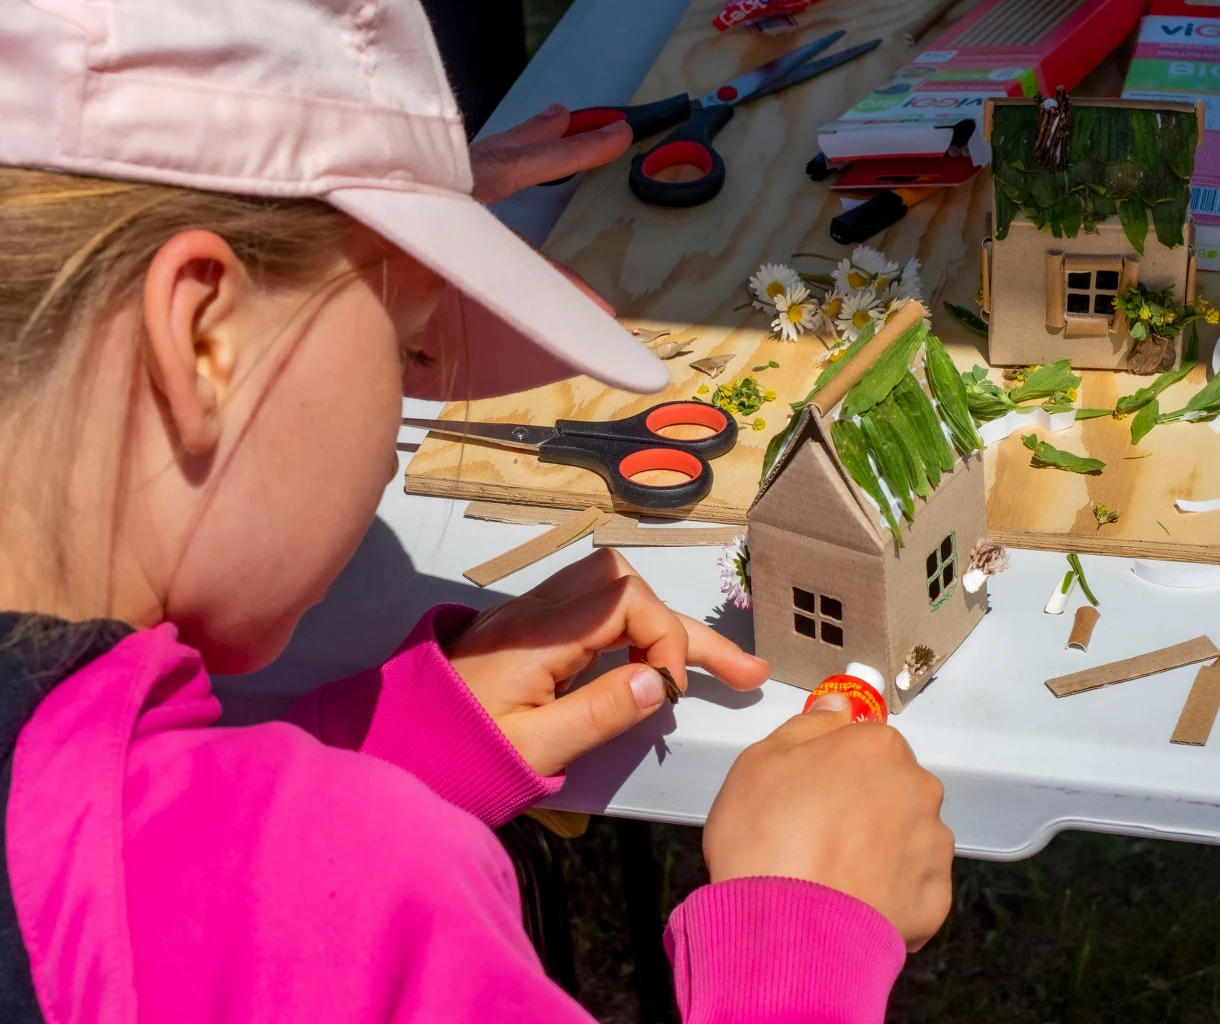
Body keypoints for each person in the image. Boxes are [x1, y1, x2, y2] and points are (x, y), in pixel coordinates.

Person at [0, 1, 955, 1022]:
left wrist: (378, 758)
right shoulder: (367, 887)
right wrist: (797, 953)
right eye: (407, 347)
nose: (405, 423)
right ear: (205, 342)